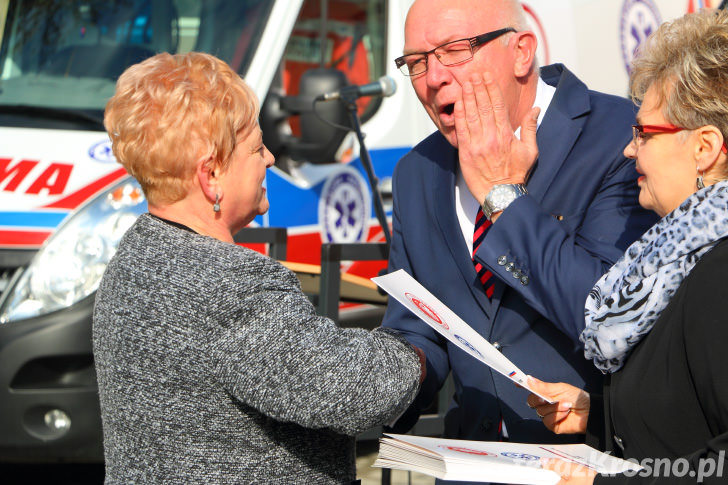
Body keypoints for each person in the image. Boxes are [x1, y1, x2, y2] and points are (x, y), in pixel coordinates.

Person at [93, 52, 425, 484]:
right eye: (255, 147)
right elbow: (343, 389)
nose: (269, 158)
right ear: (210, 173)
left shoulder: (135, 256)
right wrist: (415, 355)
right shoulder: (228, 283)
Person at [380, 0, 659, 455]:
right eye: (416, 62)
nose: (433, 79)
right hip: (473, 464)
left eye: (453, 50)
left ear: (522, 52)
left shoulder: (621, 139)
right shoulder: (417, 171)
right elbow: (417, 329)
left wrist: (500, 194)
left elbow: (609, 313)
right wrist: (380, 373)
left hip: (592, 463)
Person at [527, 9, 728, 484]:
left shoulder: (719, 272)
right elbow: (689, 418)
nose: (628, 149)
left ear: (705, 147)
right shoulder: (675, 257)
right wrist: (598, 414)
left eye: (644, 133)